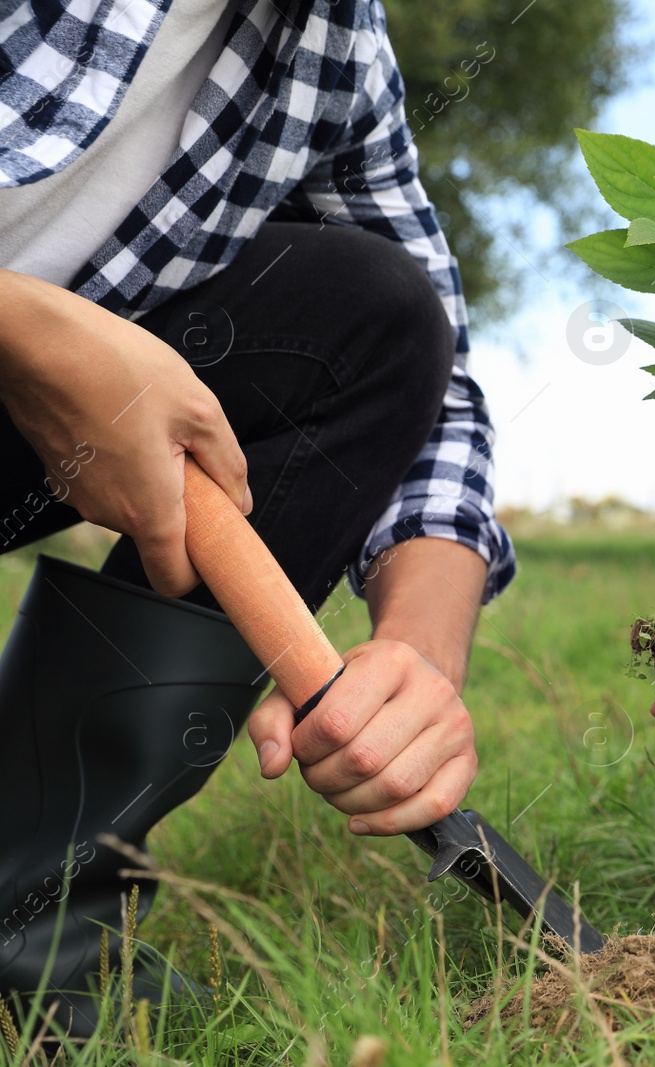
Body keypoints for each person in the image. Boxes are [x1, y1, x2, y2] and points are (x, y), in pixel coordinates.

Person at [0, 0, 512, 1035]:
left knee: (369, 313)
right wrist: (23, 326)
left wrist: (416, 650)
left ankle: (25, 923)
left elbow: (435, 388)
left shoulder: (330, 47)